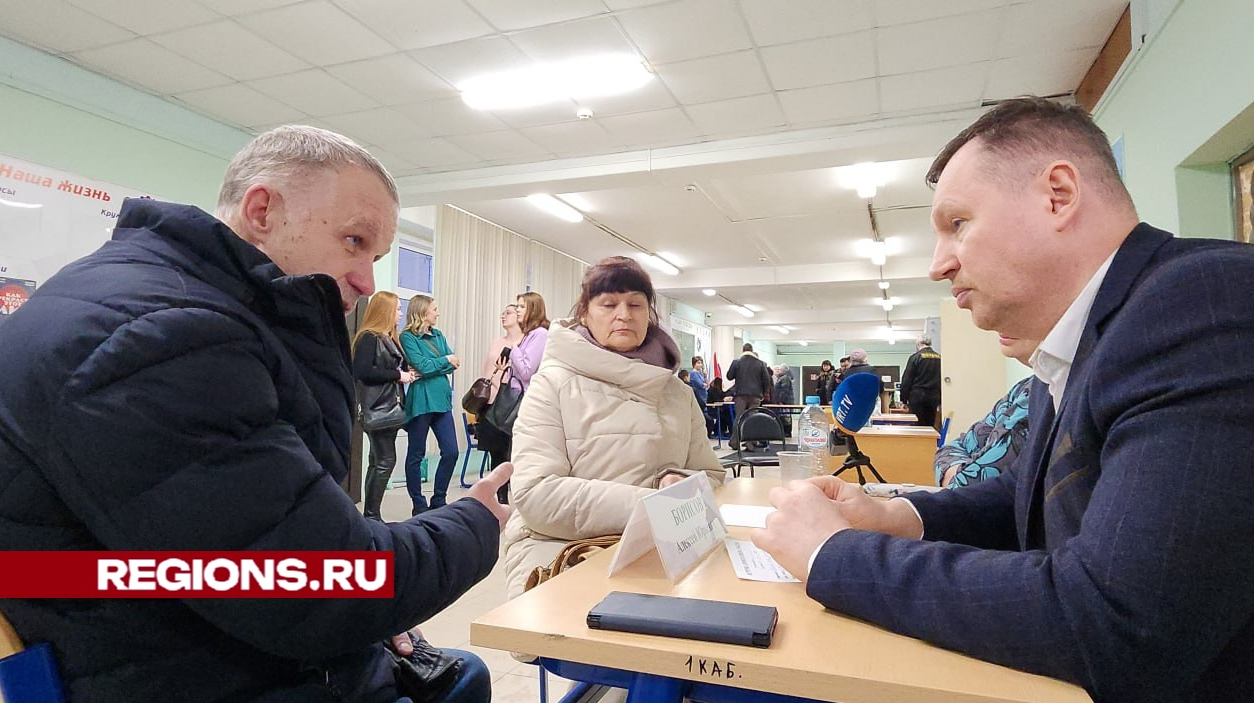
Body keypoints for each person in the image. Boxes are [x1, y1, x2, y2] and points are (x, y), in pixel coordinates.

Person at [751, 97, 1254, 702]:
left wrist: (835, 554)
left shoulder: (1203, 303)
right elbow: (1025, 499)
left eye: (957, 223)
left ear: (1058, 195)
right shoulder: (1075, 348)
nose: (939, 265)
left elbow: (1118, 621)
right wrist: (900, 517)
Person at [0, 125, 510, 702]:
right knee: (463, 680)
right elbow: (324, 592)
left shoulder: (144, 299)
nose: (367, 279)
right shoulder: (170, 339)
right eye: (354, 241)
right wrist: (476, 522)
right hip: (194, 669)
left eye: (377, 255)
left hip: (172, 634)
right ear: (262, 210)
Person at [501, 256, 725, 603]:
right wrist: (655, 505)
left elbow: (711, 475)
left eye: (636, 304)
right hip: (566, 552)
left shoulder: (676, 393)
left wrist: (677, 480)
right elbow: (536, 495)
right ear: (585, 314)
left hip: (666, 549)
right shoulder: (553, 385)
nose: (624, 314)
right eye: (608, 304)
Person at [933, 336, 1037, 488]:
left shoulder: (1036, 399)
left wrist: (953, 475)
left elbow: (966, 486)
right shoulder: (1021, 389)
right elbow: (951, 447)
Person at [352, 290, 419, 519]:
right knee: (385, 461)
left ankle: (371, 513)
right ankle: (372, 515)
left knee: (378, 461)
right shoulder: (370, 337)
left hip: (387, 407)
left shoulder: (388, 337)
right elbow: (362, 371)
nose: (400, 313)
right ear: (385, 311)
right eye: (398, 309)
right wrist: (397, 375)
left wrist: (404, 373)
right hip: (379, 409)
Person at [400, 295, 461, 515]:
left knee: (451, 451)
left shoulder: (439, 335)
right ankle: (418, 502)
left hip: (442, 401)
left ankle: (438, 499)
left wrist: (438, 365)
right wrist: (444, 361)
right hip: (421, 401)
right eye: (435, 309)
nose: (438, 313)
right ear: (423, 311)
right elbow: (423, 366)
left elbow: (453, 364)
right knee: (416, 453)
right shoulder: (407, 337)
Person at [476, 303, 523, 471]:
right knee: (495, 451)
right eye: (503, 313)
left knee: (509, 450)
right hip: (489, 401)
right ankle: (499, 494)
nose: (503, 316)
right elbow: (486, 369)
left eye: (508, 313)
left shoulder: (524, 342)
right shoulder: (497, 342)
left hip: (510, 403)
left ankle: (510, 490)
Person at [726, 342, 771, 450]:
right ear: (752, 350)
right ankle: (750, 443)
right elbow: (767, 380)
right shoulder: (760, 363)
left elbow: (729, 376)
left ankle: (735, 442)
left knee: (739, 418)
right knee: (752, 418)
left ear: (743, 351)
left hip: (740, 395)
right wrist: (763, 392)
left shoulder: (736, 362)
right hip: (756, 396)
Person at [899, 336, 942, 428]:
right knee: (930, 425)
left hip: (917, 397)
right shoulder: (939, 358)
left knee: (917, 426)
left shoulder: (915, 357)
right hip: (934, 397)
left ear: (919, 344)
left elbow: (907, 380)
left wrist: (903, 400)